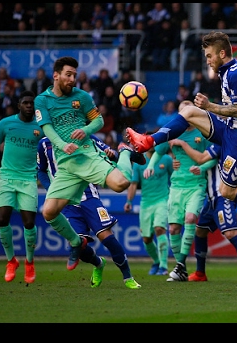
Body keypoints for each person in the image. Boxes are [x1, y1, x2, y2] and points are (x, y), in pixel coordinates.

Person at [125, 31, 237, 241]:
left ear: (222, 53)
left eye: (209, 56)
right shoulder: (226, 72)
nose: (207, 61)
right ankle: (149, 141)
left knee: (227, 191)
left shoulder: (236, 74)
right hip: (230, 128)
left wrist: (210, 106)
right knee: (190, 112)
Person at [34, 56, 135, 271]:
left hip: (87, 155)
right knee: (48, 212)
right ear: (56, 76)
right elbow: (47, 128)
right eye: (68, 75)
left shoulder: (82, 97)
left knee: (121, 184)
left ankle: (125, 152)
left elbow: (97, 120)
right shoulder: (42, 100)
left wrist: (85, 130)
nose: (72, 79)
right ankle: (76, 242)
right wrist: (62, 144)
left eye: (74, 75)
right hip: (66, 166)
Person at [38, 134, 143, 289]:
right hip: (66, 200)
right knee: (77, 245)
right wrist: (51, 191)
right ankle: (99, 263)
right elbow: (41, 170)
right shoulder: (44, 144)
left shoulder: (81, 135)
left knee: (107, 237)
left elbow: (110, 153)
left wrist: (113, 153)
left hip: (88, 196)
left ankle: (128, 277)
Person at [169, 139, 237, 284]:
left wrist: (183, 145)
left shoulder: (220, 144)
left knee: (230, 233)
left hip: (223, 197)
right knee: (200, 231)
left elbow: (201, 159)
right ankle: (200, 273)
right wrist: (175, 159)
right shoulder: (212, 145)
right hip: (212, 199)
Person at [145, 100, 210, 281]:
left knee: (190, 218)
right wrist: (151, 165)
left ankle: (180, 265)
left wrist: (202, 169)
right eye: (182, 113)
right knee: (173, 229)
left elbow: (214, 156)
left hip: (196, 184)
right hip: (176, 186)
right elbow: (158, 151)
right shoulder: (172, 133)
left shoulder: (202, 133)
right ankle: (181, 267)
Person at [0, 90, 44, 283]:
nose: (29, 106)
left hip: (28, 179)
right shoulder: (6, 123)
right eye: (25, 102)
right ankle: (11, 261)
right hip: (7, 177)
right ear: (19, 105)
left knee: (28, 223)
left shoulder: (41, 127)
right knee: (2, 218)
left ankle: (29, 262)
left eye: (31, 103)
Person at [124, 141, 173, 277]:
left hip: (163, 199)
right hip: (146, 202)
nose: (151, 144)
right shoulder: (140, 161)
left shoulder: (166, 159)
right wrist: (129, 201)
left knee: (159, 229)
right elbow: (133, 184)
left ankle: (163, 266)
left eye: (153, 141)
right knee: (146, 238)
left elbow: (173, 177)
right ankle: (156, 261)